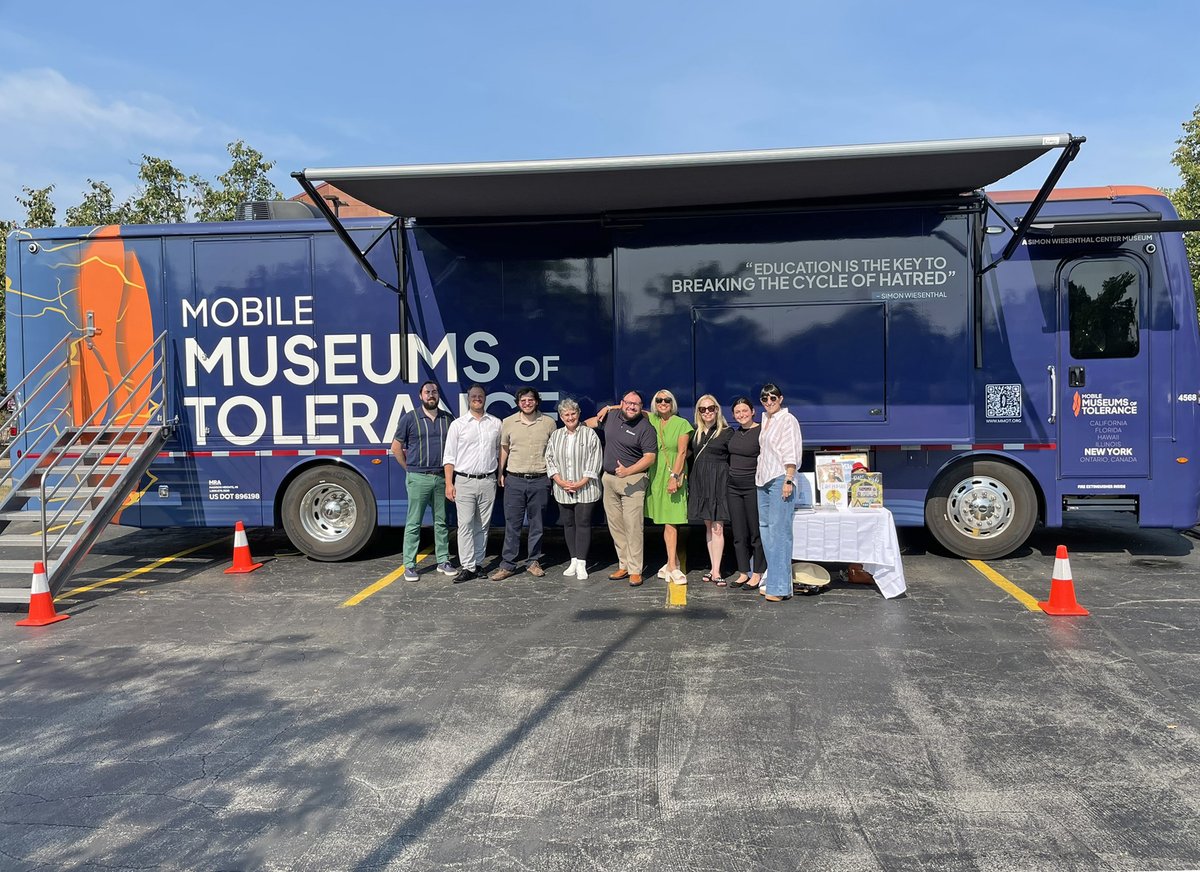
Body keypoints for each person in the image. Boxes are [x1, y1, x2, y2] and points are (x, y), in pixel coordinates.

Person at [585, 391, 657, 586]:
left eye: (637, 404)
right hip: (608, 479)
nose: (632, 407)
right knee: (616, 526)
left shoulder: (646, 428)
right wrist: (608, 408)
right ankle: (623, 565)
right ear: (621, 403)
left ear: (642, 407)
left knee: (633, 527)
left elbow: (650, 457)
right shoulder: (611, 416)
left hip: (633, 481)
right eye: (628, 403)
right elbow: (587, 424)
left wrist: (629, 471)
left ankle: (635, 570)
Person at [490, 387, 557, 581]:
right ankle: (508, 565)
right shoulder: (509, 422)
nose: (527, 403)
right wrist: (500, 473)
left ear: (537, 401)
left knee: (537, 524)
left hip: (540, 480)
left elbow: (553, 451)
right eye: (523, 400)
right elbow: (504, 449)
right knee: (513, 524)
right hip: (515, 480)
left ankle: (533, 561)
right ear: (518, 403)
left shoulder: (549, 423)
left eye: (530, 400)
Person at [392, 380, 455, 582]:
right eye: (427, 392)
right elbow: (396, 447)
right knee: (413, 523)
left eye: (434, 392)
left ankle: (443, 560)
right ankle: (409, 565)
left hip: (440, 477)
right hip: (418, 477)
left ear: (438, 396)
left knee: (441, 522)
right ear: (420, 396)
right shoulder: (410, 419)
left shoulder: (448, 419)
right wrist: (409, 470)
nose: (431, 395)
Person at [443, 384, 501, 583]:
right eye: (473, 396)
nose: (477, 398)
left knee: (483, 526)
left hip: (487, 481)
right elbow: (449, 457)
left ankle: (477, 564)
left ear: (485, 398)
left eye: (480, 396)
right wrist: (449, 484)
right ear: (469, 399)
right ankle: (467, 566)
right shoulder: (458, 425)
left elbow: (499, 452)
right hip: (464, 481)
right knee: (466, 524)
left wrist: (499, 474)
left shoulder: (495, 423)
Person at [545, 397, 603, 580]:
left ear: (578, 414)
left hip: (586, 487)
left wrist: (581, 482)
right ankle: (573, 560)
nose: (570, 417)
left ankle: (582, 563)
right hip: (563, 488)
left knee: (583, 523)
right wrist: (559, 480)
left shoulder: (589, 434)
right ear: (561, 417)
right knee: (568, 524)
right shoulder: (556, 435)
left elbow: (596, 460)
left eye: (573, 413)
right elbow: (549, 458)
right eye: (566, 414)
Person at [755, 383, 803, 603]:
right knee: (766, 531)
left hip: (779, 478)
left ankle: (780, 587)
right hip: (762, 480)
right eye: (765, 399)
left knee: (780, 532)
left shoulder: (788, 420)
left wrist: (788, 479)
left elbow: (791, 450)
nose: (769, 402)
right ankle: (774, 581)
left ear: (780, 399)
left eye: (773, 398)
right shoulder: (766, 419)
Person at [645, 389, 693, 585]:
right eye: (659, 400)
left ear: (672, 403)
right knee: (665, 520)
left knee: (672, 521)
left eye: (666, 400)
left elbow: (682, 453)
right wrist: (609, 407)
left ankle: (672, 566)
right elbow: (632, 407)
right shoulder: (653, 420)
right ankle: (669, 563)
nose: (663, 403)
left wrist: (674, 476)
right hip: (657, 475)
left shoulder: (682, 424)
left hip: (674, 473)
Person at [687, 394, 732, 585]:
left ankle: (716, 571)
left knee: (718, 528)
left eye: (710, 408)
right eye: (702, 409)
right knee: (708, 526)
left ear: (717, 410)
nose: (707, 412)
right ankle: (713, 568)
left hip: (719, 483)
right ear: (698, 412)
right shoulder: (695, 432)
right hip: (701, 482)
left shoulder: (727, 432)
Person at [726, 397, 766, 591]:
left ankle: (757, 572)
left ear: (753, 411)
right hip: (733, 488)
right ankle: (743, 572)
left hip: (753, 487)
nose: (741, 415)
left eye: (744, 411)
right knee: (739, 532)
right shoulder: (735, 433)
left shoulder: (761, 431)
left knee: (755, 532)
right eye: (737, 412)